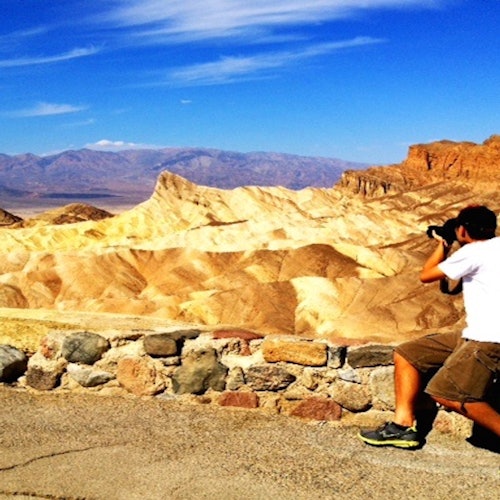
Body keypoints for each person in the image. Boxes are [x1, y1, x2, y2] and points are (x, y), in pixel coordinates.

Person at [358, 205, 500, 449]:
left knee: (447, 392)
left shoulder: (474, 252)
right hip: (473, 333)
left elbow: (426, 275)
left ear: (463, 230)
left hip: (487, 339)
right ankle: (403, 426)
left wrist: (443, 245)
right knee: (408, 353)